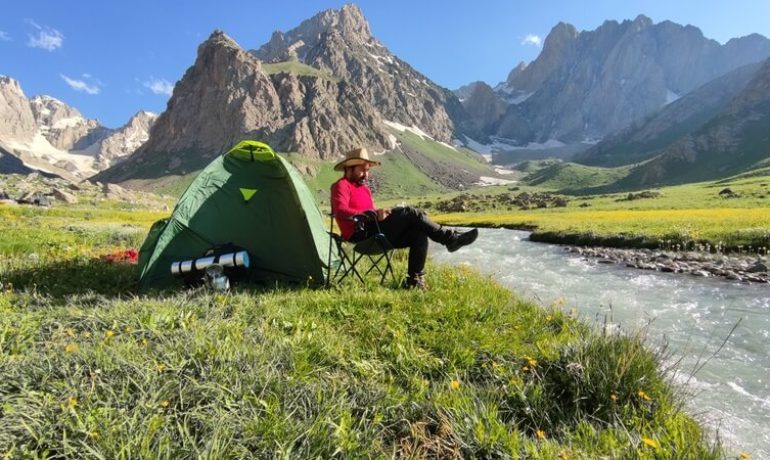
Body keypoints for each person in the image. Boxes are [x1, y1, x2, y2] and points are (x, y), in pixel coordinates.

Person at [331, 147, 478, 289]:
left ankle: (414, 281)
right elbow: (341, 211)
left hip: (375, 232)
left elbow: (369, 212)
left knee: (418, 234)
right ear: (349, 169)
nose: (366, 175)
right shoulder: (341, 186)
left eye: (367, 170)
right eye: (362, 170)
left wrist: (380, 214)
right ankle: (450, 239)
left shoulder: (365, 189)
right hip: (359, 236)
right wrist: (374, 214)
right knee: (409, 212)